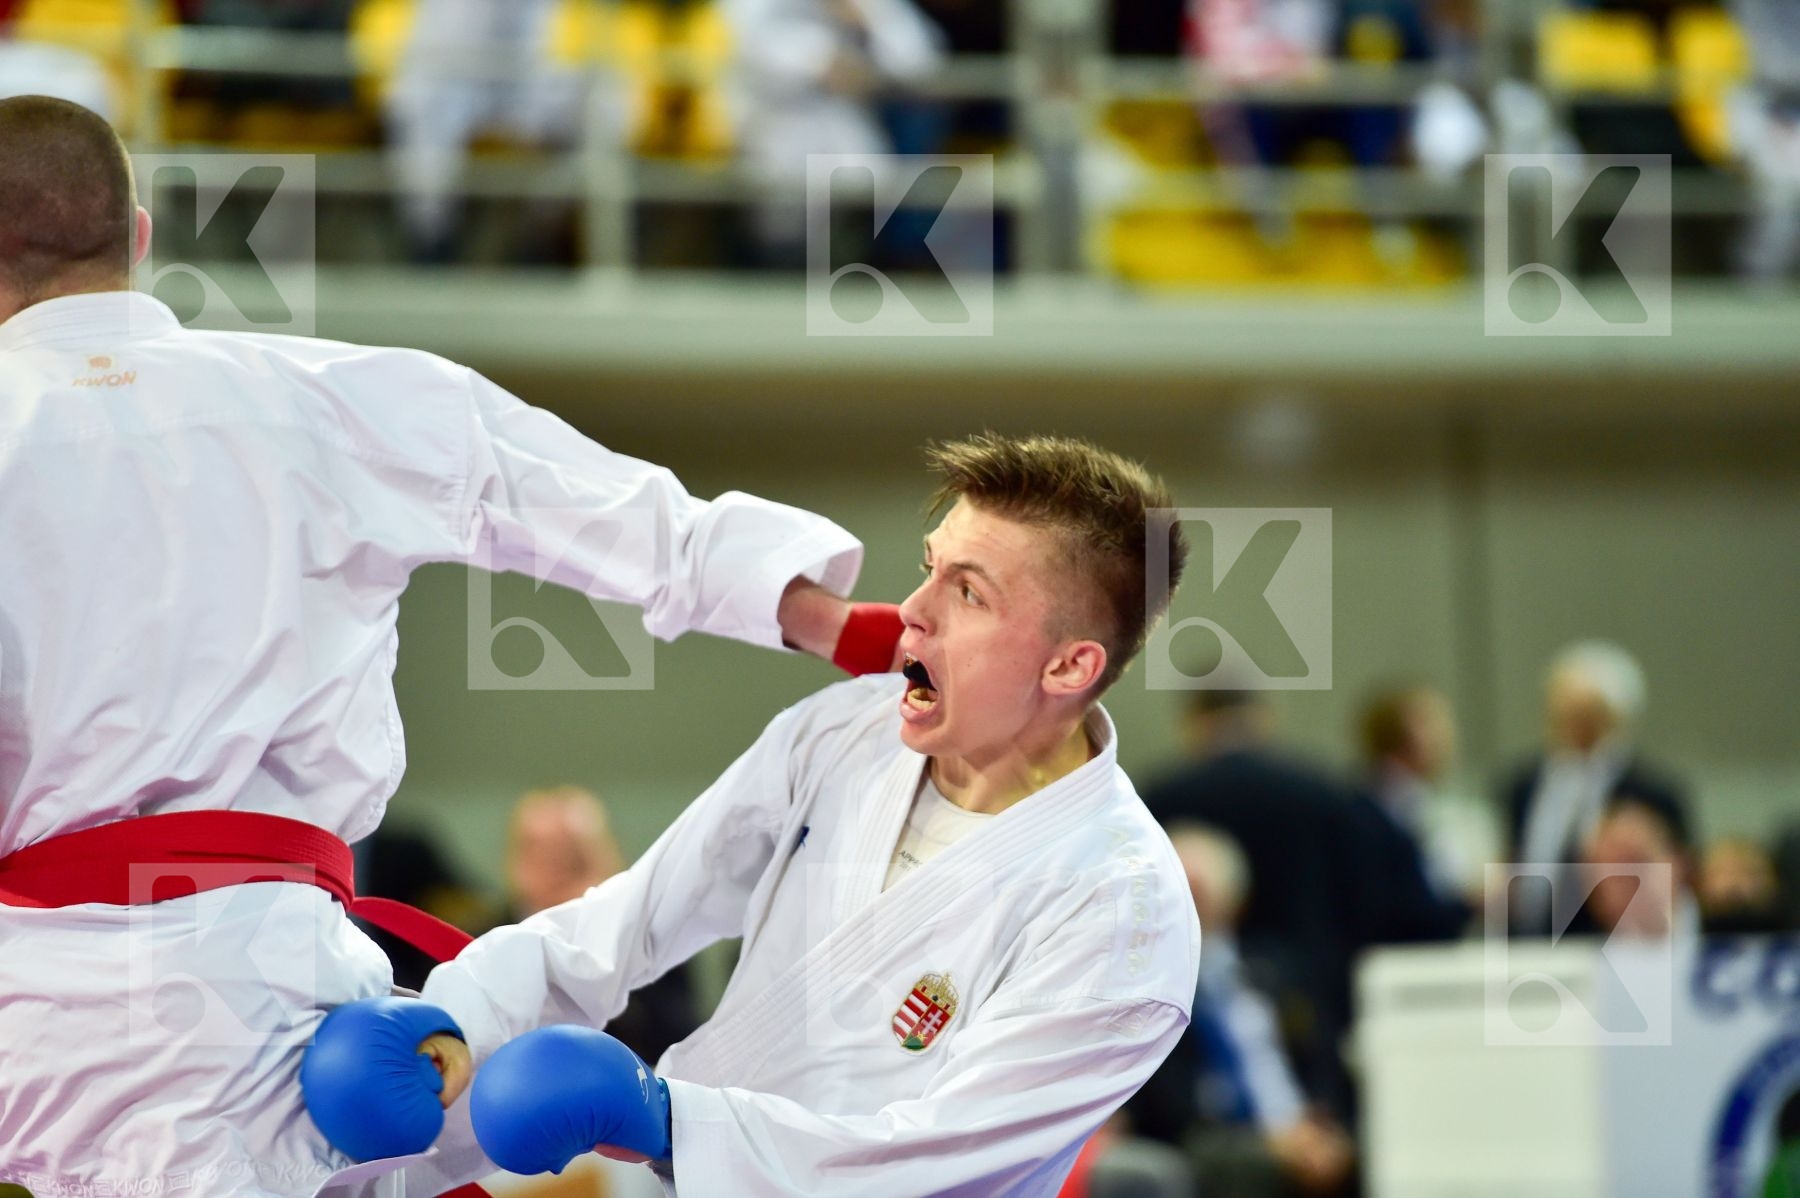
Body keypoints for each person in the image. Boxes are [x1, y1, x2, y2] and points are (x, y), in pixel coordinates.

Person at [0, 95, 904, 1198]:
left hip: (35, 1018)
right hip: (277, 993)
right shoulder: (324, 398)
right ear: (139, 236)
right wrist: (837, 623)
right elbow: (591, 502)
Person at [304, 433, 1203, 1197]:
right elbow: (630, 918)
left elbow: (935, 1161)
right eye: (930, 570)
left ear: (1070, 668)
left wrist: (668, 1120)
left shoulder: (1124, 911)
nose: (913, 616)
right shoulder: (847, 732)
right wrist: (454, 1022)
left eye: (968, 592)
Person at [1139, 689, 1365, 1118]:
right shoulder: (1320, 791)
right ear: (1261, 717)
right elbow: (1356, 901)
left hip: (1184, 978)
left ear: (1195, 722)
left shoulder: (1162, 796)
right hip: (1312, 979)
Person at [1123, 824, 1354, 1198]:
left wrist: (1322, 1124)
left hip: (1304, 1129)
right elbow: (1168, 1106)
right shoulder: (1145, 988)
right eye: (1174, 887)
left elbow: (1323, 1058)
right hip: (1217, 1142)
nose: (1184, 901)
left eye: (1197, 891)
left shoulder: (1278, 969)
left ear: (1233, 898)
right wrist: (1273, 1145)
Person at [1503, 640, 1692, 937]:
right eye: (1563, 708)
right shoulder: (1523, 784)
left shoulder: (1652, 792)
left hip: (1612, 945)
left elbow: (1681, 875)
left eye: (1585, 711)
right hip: (1528, 946)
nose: (1572, 722)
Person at [504, 785, 700, 1067]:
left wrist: (593, 928)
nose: (553, 871)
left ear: (603, 857)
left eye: (572, 860)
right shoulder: (481, 939)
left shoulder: (654, 934)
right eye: (540, 854)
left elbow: (676, 1039)